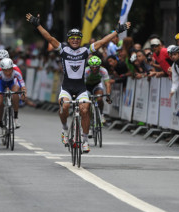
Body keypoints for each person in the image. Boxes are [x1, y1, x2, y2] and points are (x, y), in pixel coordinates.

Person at [26, 12, 130, 153]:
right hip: (67, 87)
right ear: (68, 39)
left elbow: (103, 41)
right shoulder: (63, 49)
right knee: (65, 105)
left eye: (77, 38)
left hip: (81, 88)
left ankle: (85, 140)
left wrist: (117, 31)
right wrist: (37, 24)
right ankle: (64, 130)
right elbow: (49, 38)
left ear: (81, 40)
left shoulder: (85, 50)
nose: (75, 40)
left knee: (85, 110)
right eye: (72, 38)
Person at [0, 58, 26, 137]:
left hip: (12, 83)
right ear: (2, 69)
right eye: (5, 70)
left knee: (15, 93)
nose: (7, 72)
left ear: (12, 68)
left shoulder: (16, 71)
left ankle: (15, 118)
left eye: (9, 70)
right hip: (1, 84)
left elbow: (22, 86)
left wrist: (24, 94)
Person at [84, 56, 112, 123]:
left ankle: (101, 114)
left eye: (96, 66)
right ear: (89, 66)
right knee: (88, 103)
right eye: (92, 67)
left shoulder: (103, 70)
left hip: (97, 85)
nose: (94, 68)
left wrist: (108, 95)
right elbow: (81, 84)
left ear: (99, 66)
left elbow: (107, 84)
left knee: (99, 98)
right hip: (86, 86)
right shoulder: (86, 71)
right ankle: (89, 120)